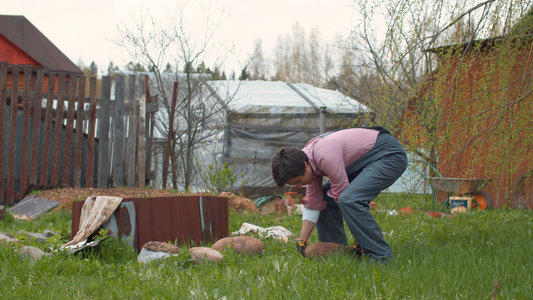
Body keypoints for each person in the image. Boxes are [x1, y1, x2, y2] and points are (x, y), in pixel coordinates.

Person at [271, 126, 407, 263]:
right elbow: (314, 203)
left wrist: (358, 236)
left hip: (388, 155)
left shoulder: (325, 156)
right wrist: (302, 240)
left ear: (304, 164)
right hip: (363, 162)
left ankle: (381, 257)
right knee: (325, 198)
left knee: (349, 199)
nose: (299, 186)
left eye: (299, 181)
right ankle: (336, 252)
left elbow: (344, 198)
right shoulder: (308, 159)